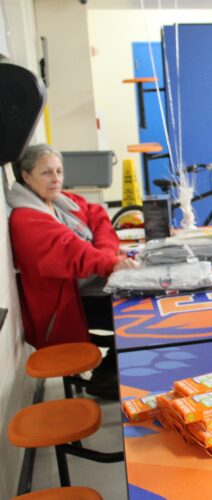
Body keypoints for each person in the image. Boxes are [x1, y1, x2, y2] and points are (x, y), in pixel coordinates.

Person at [8, 144, 139, 399]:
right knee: (133, 312)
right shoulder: (26, 219)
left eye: (59, 171)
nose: (56, 179)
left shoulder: (58, 200)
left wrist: (107, 254)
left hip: (89, 286)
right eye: (46, 173)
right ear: (26, 175)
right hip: (67, 305)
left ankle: (113, 371)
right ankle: (112, 374)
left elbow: (98, 216)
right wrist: (110, 262)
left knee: (135, 302)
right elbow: (74, 252)